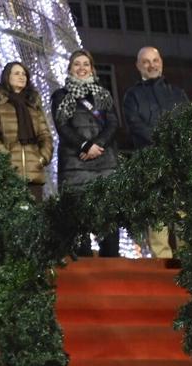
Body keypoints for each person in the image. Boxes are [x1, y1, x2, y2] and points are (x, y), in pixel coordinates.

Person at [50, 49, 119, 257]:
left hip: (105, 164)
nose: (82, 68)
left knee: (109, 220)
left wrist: (98, 144)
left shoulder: (103, 94)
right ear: (70, 69)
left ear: (92, 68)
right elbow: (62, 126)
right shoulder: (61, 96)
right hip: (75, 166)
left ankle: (111, 264)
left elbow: (113, 123)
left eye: (86, 64)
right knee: (78, 221)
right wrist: (85, 146)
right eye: (77, 64)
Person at [122, 46, 188, 258]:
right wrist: (164, 140)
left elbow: (189, 122)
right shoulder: (132, 96)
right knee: (157, 217)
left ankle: (190, 262)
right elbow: (135, 125)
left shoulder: (177, 93)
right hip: (150, 162)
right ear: (138, 66)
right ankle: (162, 263)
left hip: (179, 161)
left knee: (184, 216)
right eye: (146, 61)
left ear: (161, 62)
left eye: (155, 60)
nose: (151, 65)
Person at [0, 61, 54, 201]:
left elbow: (45, 136)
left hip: (34, 174)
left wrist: (42, 158)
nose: (22, 77)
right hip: (8, 174)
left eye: (24, 74)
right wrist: (5, 157)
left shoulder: (33, 105)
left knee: (35, 212)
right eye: (17, 73)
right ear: (7, 77)